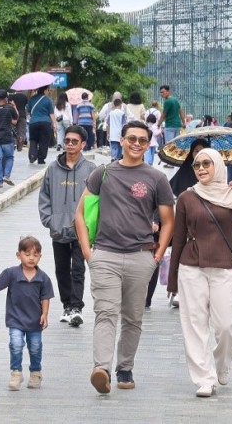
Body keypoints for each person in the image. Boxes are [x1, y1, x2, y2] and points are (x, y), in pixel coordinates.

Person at [74, 120, 175, 394]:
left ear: (148, 144)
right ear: (121, 139)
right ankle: (102, 369)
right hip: (104, 255)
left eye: (143, 140)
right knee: (105, 313)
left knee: (132, 317)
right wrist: (87, 251)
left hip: (141, 256)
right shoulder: (103, 172)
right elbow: (80, 214)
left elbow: (168, 220)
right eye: (132, 138)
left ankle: (125, 367)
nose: (137, 144)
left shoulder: (157, 178)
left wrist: (157, 255)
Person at [168, 148, 232, 397]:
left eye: (207, 164)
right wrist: (172, 279)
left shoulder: (231, 195)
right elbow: (177, 240)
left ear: (218, 165)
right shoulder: (188, 197)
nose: (201, 169)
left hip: (224, 268)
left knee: (228, 324)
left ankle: (222, 364)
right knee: (194, 324)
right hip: (191, 267)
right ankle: (204, 378)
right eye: (197, 165)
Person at [0, 236, 54, 391]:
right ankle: (16, 373)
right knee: (16, 344)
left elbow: (45, 297)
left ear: (40, 256)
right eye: (27, 254)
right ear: (18, 255)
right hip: (16, 320)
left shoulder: (43, 278)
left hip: (35, 322)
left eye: (36, 255)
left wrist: (44, 314)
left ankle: (35, 372)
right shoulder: (11, 273)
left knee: (35, 347)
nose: (31, 258)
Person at [39, 125, 96, 327]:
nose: (70, 144)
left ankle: (76, 307)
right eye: (68, 140)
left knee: (78, 269)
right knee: (62, 270)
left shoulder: (91, 170)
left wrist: (93, 227)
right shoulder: (52, 169)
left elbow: (99, 199)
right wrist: (50, 221)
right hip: (58, 229)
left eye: (75, 141)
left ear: (83, 144)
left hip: (82, 232)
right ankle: (66, 306)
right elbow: (44, 196)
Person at [27, 86, 57, 165]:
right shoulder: (48, 100)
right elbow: (51, 113)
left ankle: (32, 155)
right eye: (47, 90)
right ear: (45, 90)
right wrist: (54, 123)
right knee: (44, 141)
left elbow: (28, 110)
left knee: (33, 140)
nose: (48, 92)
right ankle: (41, 159)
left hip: (33, 123)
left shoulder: (32, 99)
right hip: (45, 123)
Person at [158, 86, 184, 151]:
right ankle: (175, 160)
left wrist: (159, 123)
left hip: (170, 125)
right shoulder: (175, 100)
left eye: (163, 92)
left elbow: (164, 114)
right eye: (161, 92)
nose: (161, 94)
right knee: (176, 145)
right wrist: (184, 122)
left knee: (169, 145)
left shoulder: (167, 101)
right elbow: (181, 111)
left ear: (168, 91)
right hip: (177, 125)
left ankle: (169, 160)